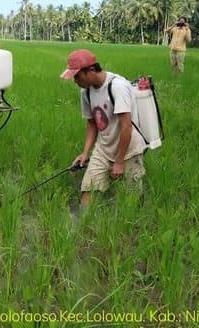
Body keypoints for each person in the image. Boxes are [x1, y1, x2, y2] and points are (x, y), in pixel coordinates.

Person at [61, 49, 147, 208]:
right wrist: (85, 153)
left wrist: (119, 161)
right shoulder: (85, 92)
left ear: (91, 70)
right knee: (88, 191)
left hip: (129, 149)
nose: (75, 80)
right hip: (104, 148)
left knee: (132, 199)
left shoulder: (117, 87)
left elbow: (126, 126)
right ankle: (84, 225)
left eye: (77, 76)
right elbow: (92, 123)